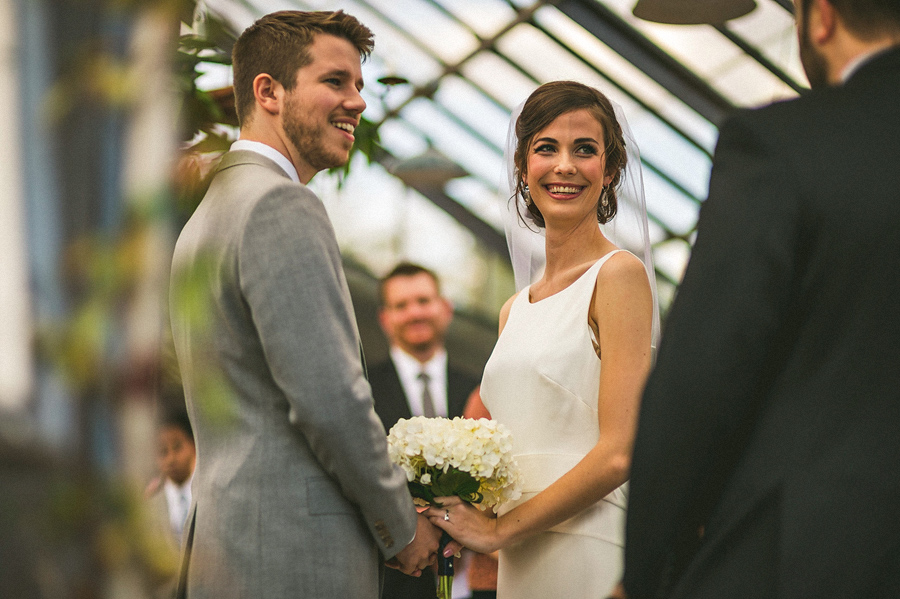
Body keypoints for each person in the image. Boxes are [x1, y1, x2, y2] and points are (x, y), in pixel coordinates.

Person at [615, 1, 900, 598]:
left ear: (821, 18)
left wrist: (647, 572)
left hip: (822, 552)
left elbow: (702, 376)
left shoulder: (787, 142)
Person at [168, 10, 448, 598]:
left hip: (231, 548)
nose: (358, 102)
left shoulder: (210, 211)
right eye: (335, 81)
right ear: (269, 92)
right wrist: (401, 526)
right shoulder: (279, 205)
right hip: (292, 556)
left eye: (360, 85)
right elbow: (330, 399)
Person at [425, 80, 658, 599]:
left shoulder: (618, 276)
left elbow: (620, 453)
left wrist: (496, 532)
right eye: (546, 148)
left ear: (610, 170)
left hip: (586, 546)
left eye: (585, 150)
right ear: (522, 167)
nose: (565, 166)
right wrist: (452, 504)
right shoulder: (513, 310)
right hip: (518, 556)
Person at [369, 261, 480, 599]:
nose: (415, 313)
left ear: (445, 308)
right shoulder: (363, 390)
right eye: (401, 305)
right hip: (393, 580)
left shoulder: (479, 387)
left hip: (474, 573)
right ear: (385, 318)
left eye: (423, 301)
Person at [144, 410, 197, 597]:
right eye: (163, 452)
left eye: (177, 447)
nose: (171, 458)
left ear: (193, 445)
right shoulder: (151, 503)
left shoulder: (207, 493)